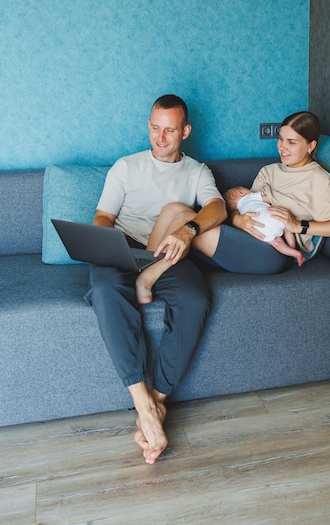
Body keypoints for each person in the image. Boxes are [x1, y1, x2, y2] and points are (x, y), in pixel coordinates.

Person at [84, 94, 227, 465]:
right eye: (154, 128)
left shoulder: (197, 170)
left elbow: (218, 207)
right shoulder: (126, 167)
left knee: (196, 298)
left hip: (169, 253)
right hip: (124, 246)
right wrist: (109, 245)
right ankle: (141, 402)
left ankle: (156, 405)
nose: (160, 138)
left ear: (185, 131)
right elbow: (103, 216)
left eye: (169, 130)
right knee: (104, 289)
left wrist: (188, 231)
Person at [191, 110, 330, 273]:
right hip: (246, 234)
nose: (282, 147)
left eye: (291, 142)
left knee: (192, 231)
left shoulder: (319, 180)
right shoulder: (269, 171)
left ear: (310, 146)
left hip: (276, 249)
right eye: (280, 139)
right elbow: (244, 204)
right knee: (184, 216)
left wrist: (299, 226)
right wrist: (238, 220)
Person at [223, 186, 305, 267]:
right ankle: (293, 247)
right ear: (241, 193)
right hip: (272, 216)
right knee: (287, 229)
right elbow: (270, 199)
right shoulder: (250, 196)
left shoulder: (240, 213)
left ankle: (294, 254)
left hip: (259, 229)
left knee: (277, 243)